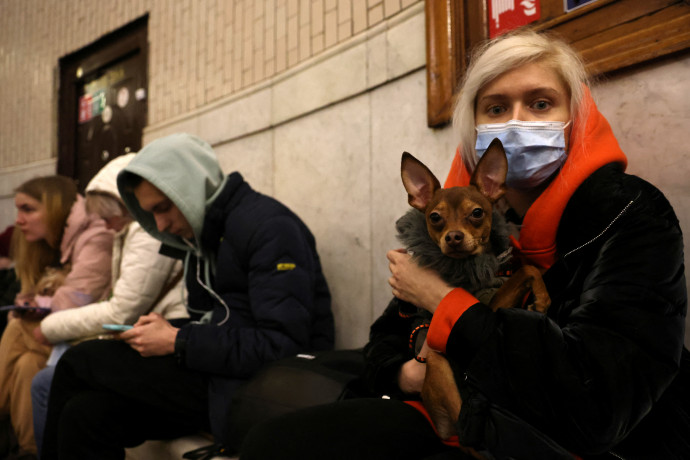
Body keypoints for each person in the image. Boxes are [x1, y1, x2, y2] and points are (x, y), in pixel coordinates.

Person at [240, 29, 688, 459]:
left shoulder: (628, 212)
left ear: (576, 116)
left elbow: (598, 408)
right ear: (473, 128)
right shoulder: (451, 213)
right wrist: (406, 373)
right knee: (275, 434)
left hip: (569, 439)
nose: (517, 122)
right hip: (459, 405)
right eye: (495, 109)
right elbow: (387, 336)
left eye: (540, 103)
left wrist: (441, 299)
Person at [41, 133, 335, 459]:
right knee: (85, 414)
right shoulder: (202, 236)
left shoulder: (269, 228)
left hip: (258, 386)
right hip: (218, 376)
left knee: (79, 361)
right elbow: (218, 320)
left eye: (164, 208)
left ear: (191, 188)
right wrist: (164, 331)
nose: (161, 225)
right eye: (150, 213)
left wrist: (177, 341)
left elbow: (283, 345)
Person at [30, 153, 189, 456]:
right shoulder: (131, 231)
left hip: (168, 339)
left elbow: (122, 309)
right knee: (64, 388)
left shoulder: (147, 233)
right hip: (158, 334)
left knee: (54, 376)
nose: (103, 225)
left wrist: (50, 326)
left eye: (107, 216)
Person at [0, 176, 113, 459]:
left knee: (15, 329)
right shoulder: (48, 241)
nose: (20, 220)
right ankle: (31, 452)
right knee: (28, 365)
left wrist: (33, 305)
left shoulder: (96, 234)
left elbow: (75, 302)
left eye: (28, 209)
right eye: (18, 210)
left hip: (89, 338)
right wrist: (31, 302)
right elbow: (30, 295)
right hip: (58, 340)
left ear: (53, 207)